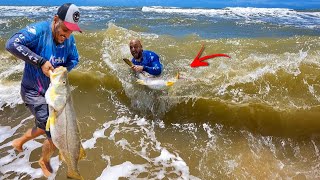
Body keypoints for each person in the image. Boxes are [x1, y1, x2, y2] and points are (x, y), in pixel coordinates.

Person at [5, 3, 82, 177]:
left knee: (46, 124)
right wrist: (40, 62)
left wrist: (63, 68)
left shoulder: (69, 39)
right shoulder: (39, 31)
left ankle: (20, 141)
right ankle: (44, 160)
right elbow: (12, 44)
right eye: (64, 29)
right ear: (56, 20)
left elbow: (74, 59)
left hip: (53, 94)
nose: (67, 35)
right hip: (33, 91)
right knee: (54, 132)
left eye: (71, 31)